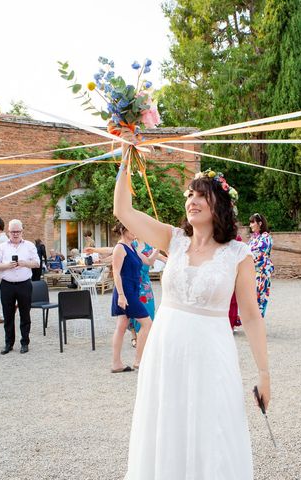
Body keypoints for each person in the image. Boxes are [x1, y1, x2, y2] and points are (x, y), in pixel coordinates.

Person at [114, 138, 270, 478]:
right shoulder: (174, 240)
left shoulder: (238, 255)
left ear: (221, 205)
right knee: (165, 422)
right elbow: (123, 211)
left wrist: (264, 374)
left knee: (211, 429)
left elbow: (252, 316)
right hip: (165, 351)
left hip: (211, 353)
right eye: (190, 195)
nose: (192, 200)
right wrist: (127, 155)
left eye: (201, 195)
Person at [0, 219, 40, 355]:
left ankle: (25, 343)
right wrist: (7, 265)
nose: (16, 234)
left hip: (24, 284)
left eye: (18, 231)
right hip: (7, 285)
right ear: (8, 232)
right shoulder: (2, 246)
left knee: (25, 314)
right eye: (13, 231)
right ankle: (8, 343)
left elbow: (37, 263)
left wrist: (25, 263)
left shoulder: (29, 245)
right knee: (8, 315)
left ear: (22, 231)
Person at [110, 222, 153, 372]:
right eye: (132, 229)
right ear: (123, 229)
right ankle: (138, 361)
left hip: (132, 290)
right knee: (147, 323)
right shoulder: (120, 248)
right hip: (125, 291)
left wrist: (159, 246)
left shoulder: (132, 247)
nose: (136, 232)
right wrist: (121, 295)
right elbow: (116, 272)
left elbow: (148, 261)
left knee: (121, 326)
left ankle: (117, 364)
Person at [127, 240, 162, 348]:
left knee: (148, 309)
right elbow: (114, 250)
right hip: (132, 282)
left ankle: (146, 335)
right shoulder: (131, 244)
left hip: (145, 283)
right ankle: (134, 336)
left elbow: (164, 258)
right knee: (131, 310)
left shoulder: (150, 248)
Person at [248, 213, 275, 318]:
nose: (250, 225)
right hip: (253, 272)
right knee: (251, 297)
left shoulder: (265, 237)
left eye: (252, 222)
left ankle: (257, 321)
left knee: (260, 298)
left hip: (262, 272)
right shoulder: (253, 238)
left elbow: (259, 253)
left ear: (260, 223)